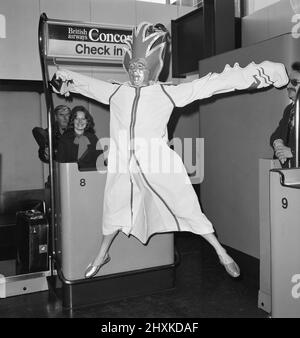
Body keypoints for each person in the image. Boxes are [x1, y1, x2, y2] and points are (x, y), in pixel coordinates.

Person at [52, 22, 289, 279]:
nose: (135, 72)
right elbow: (82, 83)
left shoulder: (166, 92)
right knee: (113, 208)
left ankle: (220, 252)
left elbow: (213, 83)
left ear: (153, 67)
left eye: (141, 67)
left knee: (185, 204)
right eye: (132, 66)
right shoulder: (116, 91)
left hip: (157, 161)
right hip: (122, 163)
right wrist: (61, 78)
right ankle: (101, 255)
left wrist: (265, 72)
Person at [270, 62, 300, 168]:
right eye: (288, 82)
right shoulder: (289, 110)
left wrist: (293, 152)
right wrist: (278, 145)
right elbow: (276, 135)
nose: (288, 85)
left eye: (294, 82)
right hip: (290, 175)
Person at [56, 105, 102, 170]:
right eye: (77, 118)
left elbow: (100, 161)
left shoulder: (93, 138)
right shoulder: (65, 139)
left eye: (83, 119)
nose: (80, 122)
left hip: (90, 176)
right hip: (71, 177)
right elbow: (60, 164)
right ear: (72, 120)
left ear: (87, 121)